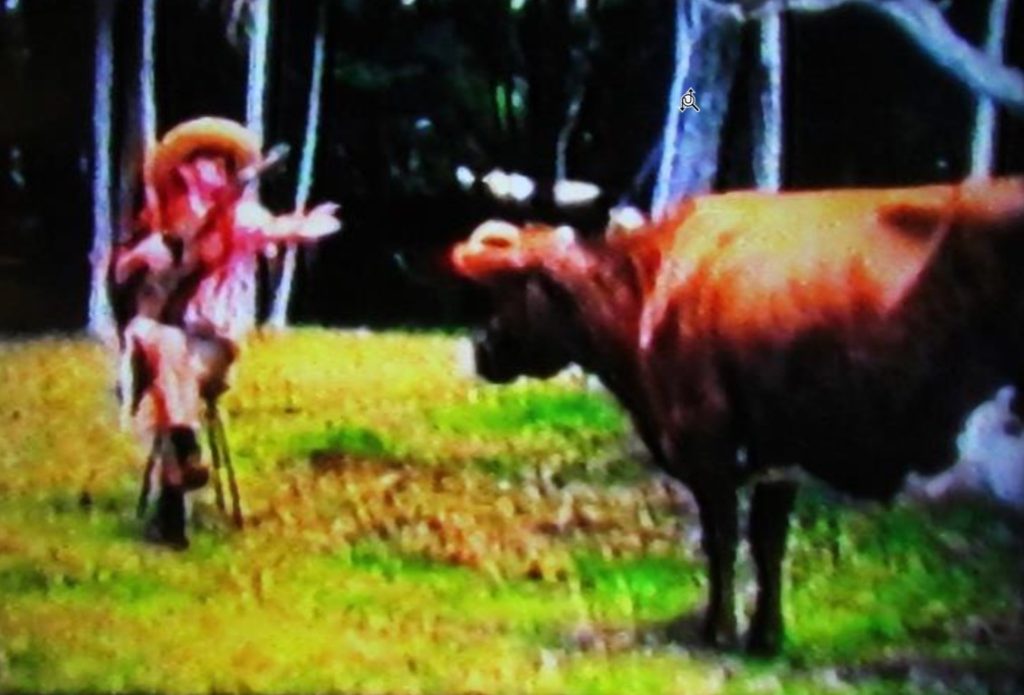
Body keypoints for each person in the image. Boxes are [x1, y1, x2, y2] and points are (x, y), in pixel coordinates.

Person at [110, 117, 340, 549]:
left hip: (209, 347)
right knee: (160, 339)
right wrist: (156, 258)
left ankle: (176, 479)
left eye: (222, 162)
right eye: (203, 161)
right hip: (164, 342)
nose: (214, 169)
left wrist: (302, 226)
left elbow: (271, 229)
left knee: (170, 355)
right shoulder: (163, 222)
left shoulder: (239, 217)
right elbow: (126, 274)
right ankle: (183, 449)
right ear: (183, 170)